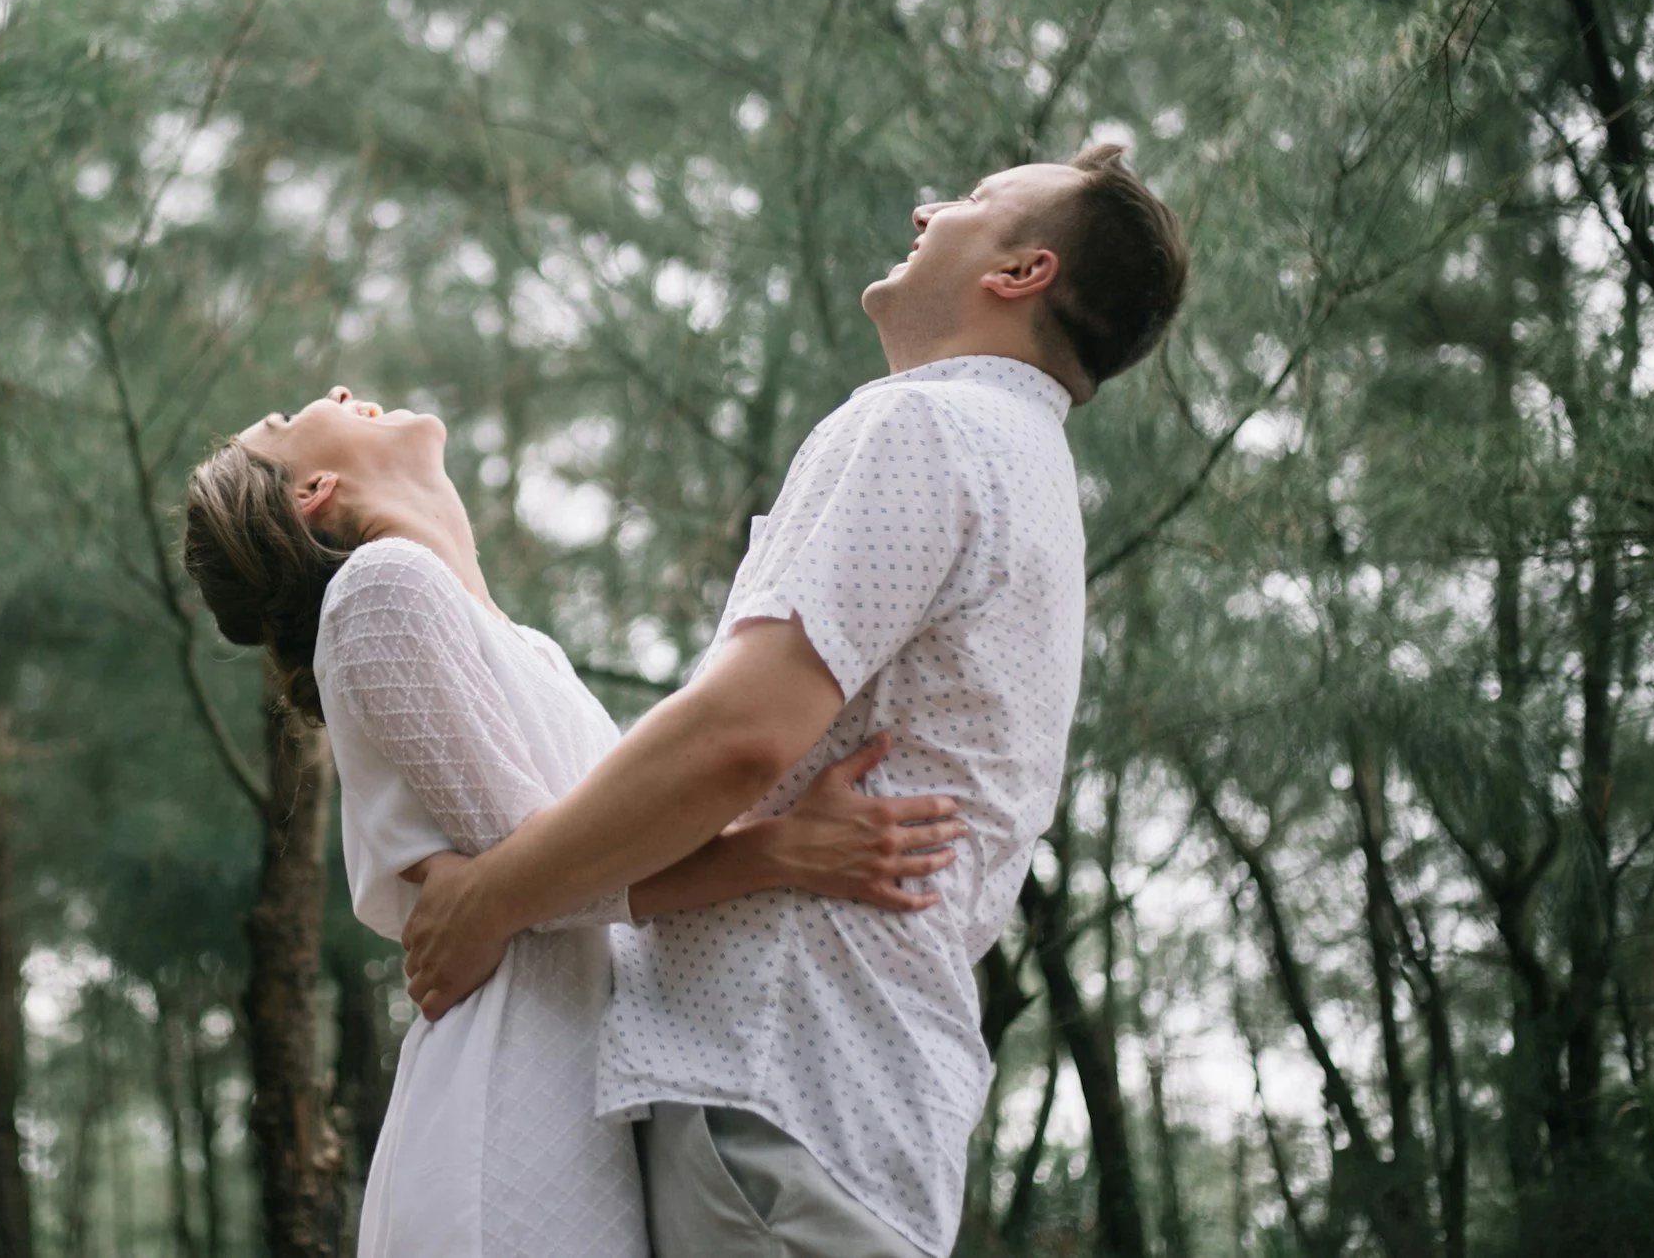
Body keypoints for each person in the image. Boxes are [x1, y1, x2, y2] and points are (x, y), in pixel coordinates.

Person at [400, 143, 1190, 1258]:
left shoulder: (924, 425)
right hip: (845, 1097)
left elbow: (735, 737)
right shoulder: (1027, 469)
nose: (929, 207)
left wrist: (488, 897)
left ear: (1019, 272)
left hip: (781, 1078)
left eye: (969, 202)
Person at [183, 389, 969, 1258]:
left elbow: (559, 869)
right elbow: (548, 881)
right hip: (510, 1113)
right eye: (287, 424)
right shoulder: (380, 589)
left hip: (583, 1092)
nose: (329, 393)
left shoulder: (524, 646)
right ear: (314, 490)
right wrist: (780, 851)